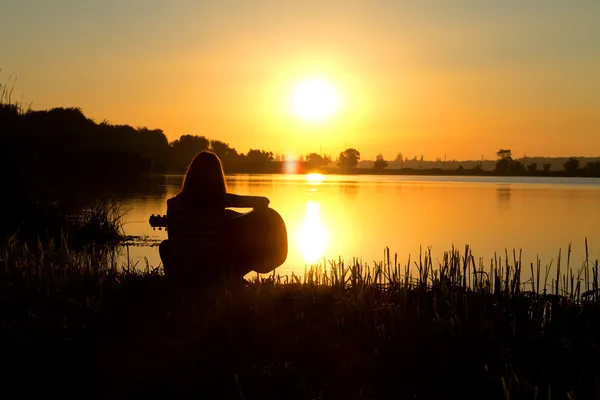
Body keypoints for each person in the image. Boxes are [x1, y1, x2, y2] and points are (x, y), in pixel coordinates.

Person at [159, 151, 287, 285]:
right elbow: (264, 201)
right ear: (217, 177)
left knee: (165, 246)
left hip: (185, 270)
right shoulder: (220, 200)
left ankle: (176, 281)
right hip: (211, 269)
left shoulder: (173, 204)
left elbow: (174, 241)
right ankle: (229, 278)